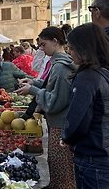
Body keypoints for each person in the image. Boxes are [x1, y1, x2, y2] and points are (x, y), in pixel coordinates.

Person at [15, 26, 76, 189]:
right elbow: (51, 86)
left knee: (61, 165)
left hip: (60, 124)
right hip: (57, 123)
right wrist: (33, 82)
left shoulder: (61, 67)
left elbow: (55, 101)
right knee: (55, 163)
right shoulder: (58, 63)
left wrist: (33, 90)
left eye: (43, 44)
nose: (41, 48)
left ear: (55, 42)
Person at [61, 23, 109, 189]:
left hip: (93, 156)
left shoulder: (87, 77)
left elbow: (79, 118)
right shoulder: (103, 72)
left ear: (84, 49)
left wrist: (67, 137)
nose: (70, 52)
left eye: (72, 48)